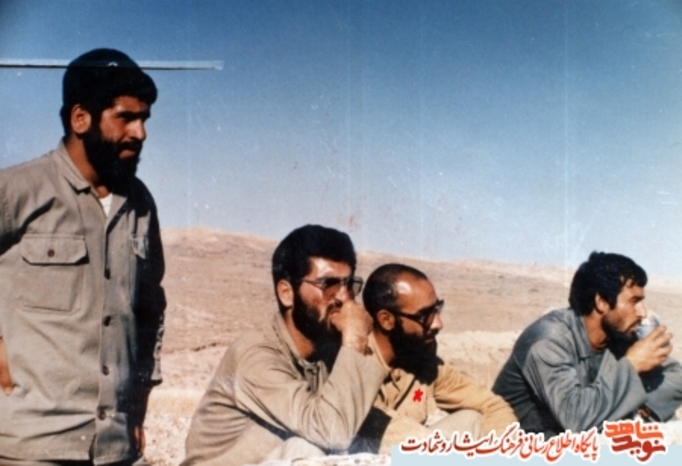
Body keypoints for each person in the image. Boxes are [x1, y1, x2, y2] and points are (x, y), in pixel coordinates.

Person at [0, 49, 165, 465]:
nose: (141, 132)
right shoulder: (18, 190)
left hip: (115, 448)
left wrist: (138, 403)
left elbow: (151, 309)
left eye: (144, 119)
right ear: (80, 118)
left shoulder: (141, 205)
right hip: (31, 446)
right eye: (126, 117)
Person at [182, 225, 386, 465]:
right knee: (306, 451)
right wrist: (354, 339)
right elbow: (333, 431)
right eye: (328, 285)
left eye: (348, 284)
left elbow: (366, 421)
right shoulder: (256, 356)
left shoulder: (324, 352)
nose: (343, 297)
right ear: (287, 293)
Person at [493, 252, 682, 436]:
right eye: (634, 301)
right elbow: (576, 419)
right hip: (524, 443)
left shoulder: (619, 336)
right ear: (602, 302)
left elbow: (676, 376)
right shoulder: (549, 341)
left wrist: (641, 407)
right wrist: (632, 365)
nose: (642, 312)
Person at [355, 263, 517, 453]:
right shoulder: (353, 362)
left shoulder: (423, 362)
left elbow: (492, 406)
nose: (438, 324)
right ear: (386, 320)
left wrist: (504, 455)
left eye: (436, 309)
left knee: (473, 419)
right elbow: (385, 430)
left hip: (415, 452)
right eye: (424, 316)